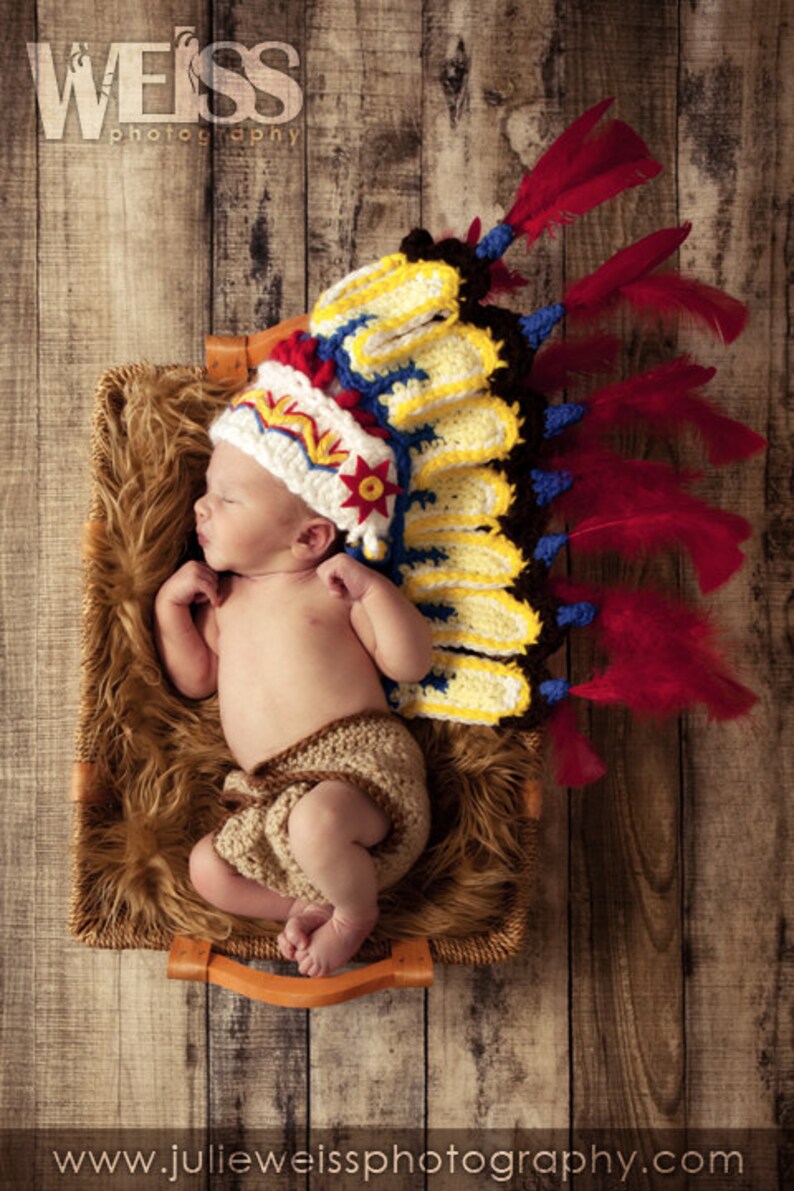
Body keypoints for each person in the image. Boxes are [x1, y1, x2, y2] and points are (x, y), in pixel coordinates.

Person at [154, 413, 432, 978]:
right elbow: (196, 680)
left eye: (227, 499)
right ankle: (311, 904)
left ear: (308, 537)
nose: (201, 508)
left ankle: (354, 915)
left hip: (358, 780)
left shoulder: (331, 588)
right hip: (270, 797)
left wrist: (374, 591)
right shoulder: (221, 600)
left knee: (315, 823)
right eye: (206, 493)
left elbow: (410, 663)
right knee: (206, 868)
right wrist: (170, 609)